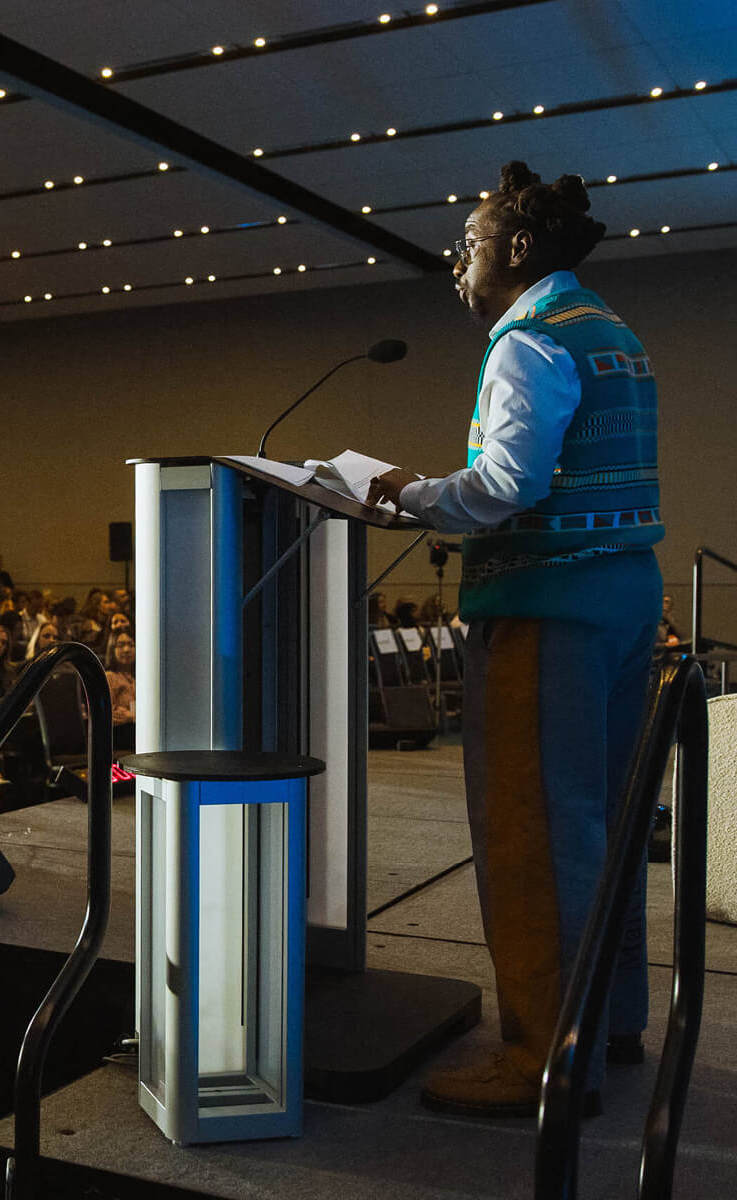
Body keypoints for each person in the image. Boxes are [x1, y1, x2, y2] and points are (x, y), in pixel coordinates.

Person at [367, 161, 662, 1118]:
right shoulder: (611, 334)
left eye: (473, 242)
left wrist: (407, 495)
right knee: (603, 825)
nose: (459, 261)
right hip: (622, 601)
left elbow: (504, 486)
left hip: (544, 608)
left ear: (519, 250)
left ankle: (542, 1056)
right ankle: (607, 1019)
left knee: (534, 836)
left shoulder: (527, 340)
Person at [104, 630, 136, 751]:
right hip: (119, 735)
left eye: (131, 644)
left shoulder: (139, 678)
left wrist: (132, 716)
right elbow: (111, 716)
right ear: (112, 648)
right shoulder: (109, 677)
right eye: (121, 645)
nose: (127, 650)